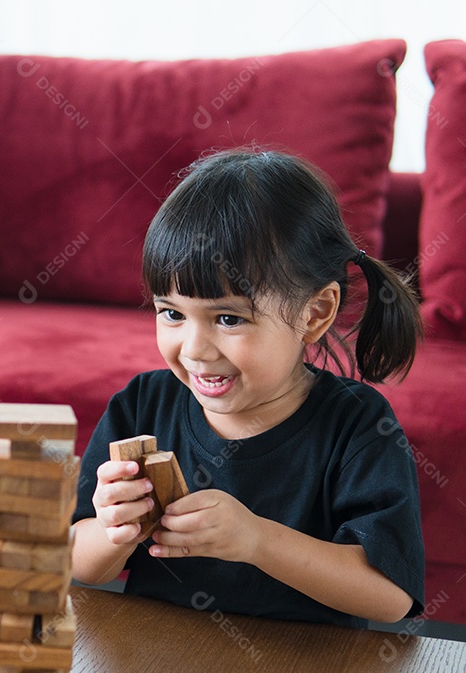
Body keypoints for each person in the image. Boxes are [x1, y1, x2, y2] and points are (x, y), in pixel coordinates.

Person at [71, 149, 425, 627]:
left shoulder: (358, 426)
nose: (195, 349)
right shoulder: (142, 406)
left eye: (229, 318)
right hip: (159, 671)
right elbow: (76, 561)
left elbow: (391, 595)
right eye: (172, 313)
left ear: (314, 314)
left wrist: (257, 541)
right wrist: (115, 532)